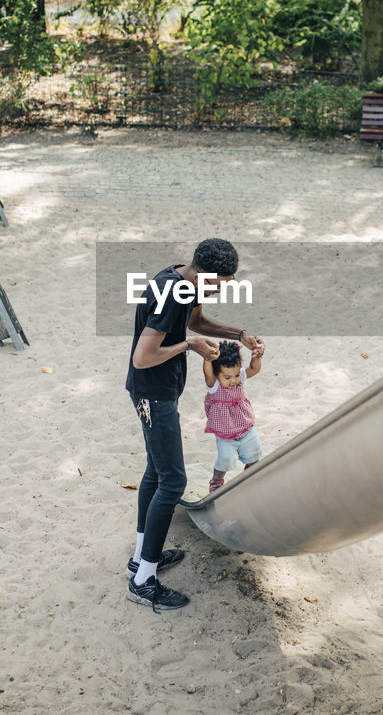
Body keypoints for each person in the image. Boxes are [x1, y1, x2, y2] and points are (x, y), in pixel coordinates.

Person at [124, 238, 263, 611]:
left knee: (156, 474)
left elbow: (196, 321)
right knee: (173, 481)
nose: (223, 288)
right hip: (152, 395)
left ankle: (141, 558)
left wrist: (238, 334)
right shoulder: (170, 293)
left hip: (160, 391)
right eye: (221, 283)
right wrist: (190, 347)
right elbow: (142, 356)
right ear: (204, 273)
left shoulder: (183, 279)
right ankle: (143, 581)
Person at [203, 340, 263, 493]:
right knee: (225, 459)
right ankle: (216, 480)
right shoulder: (214, 384)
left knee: (254, 451)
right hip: (225, 433)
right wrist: (208, 359)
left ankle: (251, 471)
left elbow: (254, 369)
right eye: (227, 378)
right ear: (217, 374)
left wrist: (256, 357)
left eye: (236, 375)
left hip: (245, 426)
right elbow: (207, 372)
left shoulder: (240, 377)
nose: (234, 381)